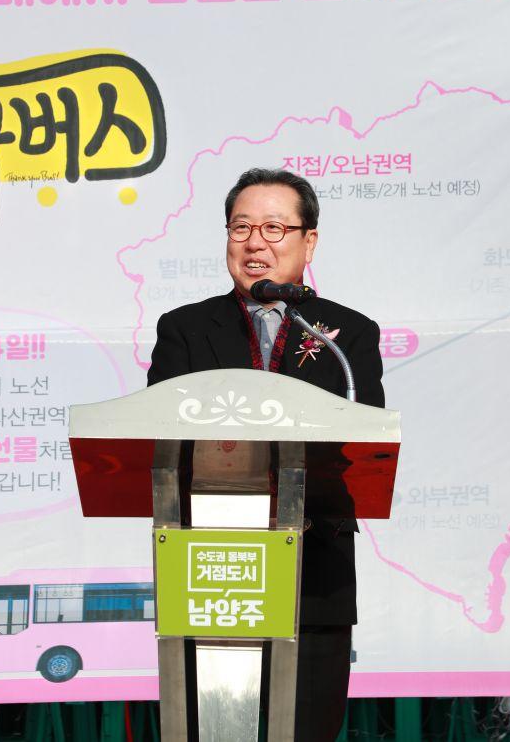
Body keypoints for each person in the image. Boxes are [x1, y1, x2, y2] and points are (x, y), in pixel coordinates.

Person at [148, 167, 384, 742]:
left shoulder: (346, 334)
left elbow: (365, 436)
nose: (255, 243)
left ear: (309, 241)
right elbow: (156, 431)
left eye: (274, 228)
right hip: (212, 566)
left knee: (307, 726)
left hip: (315, 568)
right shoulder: (184, 329)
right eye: (242, 227)